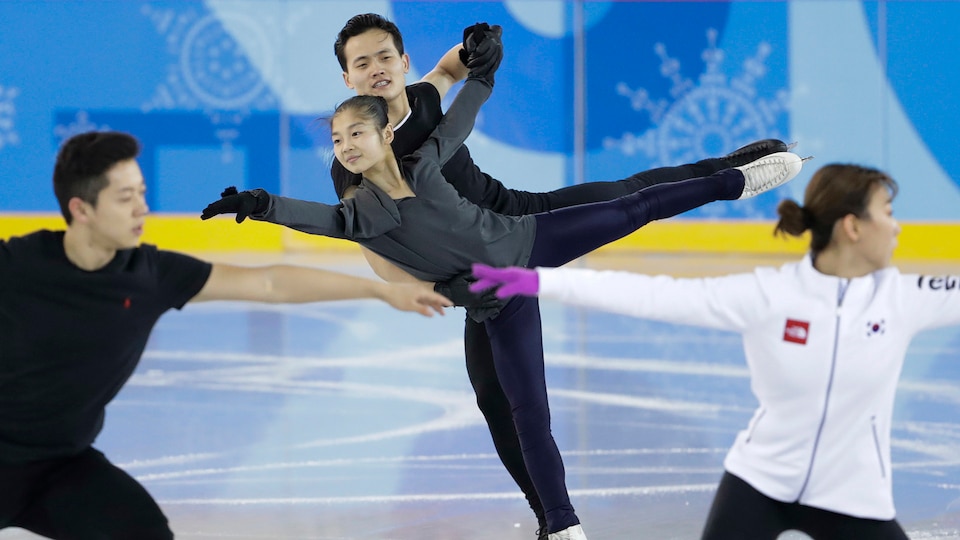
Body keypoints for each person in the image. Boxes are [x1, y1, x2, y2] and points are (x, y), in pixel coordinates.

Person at [201, 26, 804, 538]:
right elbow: (374, 248)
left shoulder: (423, 102)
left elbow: (456, 73)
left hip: (519, 218)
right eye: (363, 63)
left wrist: (479, 48)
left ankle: (730, 170)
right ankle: (554, 521)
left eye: (386, 56)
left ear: (401, 63)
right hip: (481, 276)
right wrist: (443, 289)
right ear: (348, 81)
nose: (377, 68)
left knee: (625, 197)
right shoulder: (350, 169)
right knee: (499, 403)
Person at [0, 130, 452, 540]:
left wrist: (379, 290)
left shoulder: (149, 274)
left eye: (141, 192)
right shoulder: (16, 265)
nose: (144, 208)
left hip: (61, 465)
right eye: (125, 198)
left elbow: (267, 283)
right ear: (81, 209)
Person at [469, 163, 956, 540]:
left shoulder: (907, 298)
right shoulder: (770, 295)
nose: (896, 228)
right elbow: (653, 295)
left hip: (854, 495)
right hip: (759, 484)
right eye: (887, 214)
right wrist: (538, 280)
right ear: (852, 226)